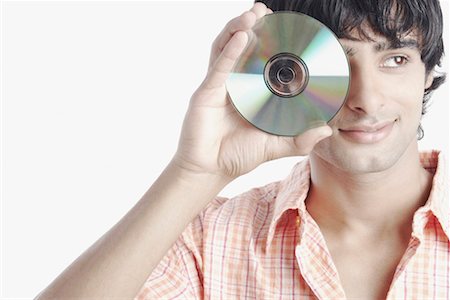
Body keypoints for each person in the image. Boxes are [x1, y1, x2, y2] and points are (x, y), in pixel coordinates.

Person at [36, 0, 448, 299]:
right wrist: (196, 172)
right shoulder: (208, 241)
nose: (367, 100)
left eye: (395, 59)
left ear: (428, 72)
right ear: (285, 72)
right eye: (338, 63)